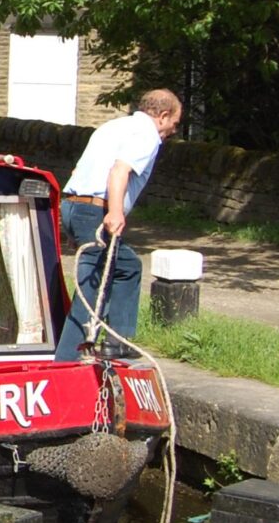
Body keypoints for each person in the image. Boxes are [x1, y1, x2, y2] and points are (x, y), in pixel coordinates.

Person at [55, 88, 183, 359]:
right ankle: (69, 358)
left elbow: (79, 170)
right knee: (92, 290)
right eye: (175, 122)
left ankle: (116, 341)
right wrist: (115, 213)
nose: (174, 130)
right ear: (162, 116)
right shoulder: (146, 135)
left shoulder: (113, 126)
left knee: (126, 266)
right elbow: (119, 171)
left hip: (74, 205)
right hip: (95, 212)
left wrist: (72, 224)